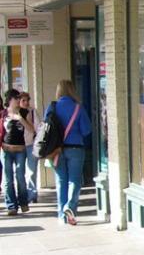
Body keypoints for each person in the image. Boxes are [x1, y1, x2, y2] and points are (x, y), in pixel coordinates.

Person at [47, 80, 91, 226]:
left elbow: (46, 128)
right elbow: (86, 130)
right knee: (75, 180)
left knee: (61, 181)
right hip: (75, 148)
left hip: (56, 150)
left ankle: (62, 215)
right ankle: (70, 208)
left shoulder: (52, 107)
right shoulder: (78, 108)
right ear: (72, 90)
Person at [2, 89, 32, 215]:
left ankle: (23, 203)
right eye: (16, 98)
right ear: (10, 100)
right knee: (8, 179)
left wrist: (20, 118)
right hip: (6, 150)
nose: (19, 100)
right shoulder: (3, 114)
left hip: (20, 150)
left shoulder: (24, 112)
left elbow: (31, 129)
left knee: (20, 177)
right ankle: (11, 206)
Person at [18, 92, 39, 204]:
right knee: (20, 172)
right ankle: (23, 195)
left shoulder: (32, 111)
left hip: (31, 144)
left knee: (32, 171)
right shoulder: (15, 113)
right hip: (19, 146)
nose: (26, 103)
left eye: (27, 100)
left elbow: (37, 128)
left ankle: (32, 194)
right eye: (23, 101)